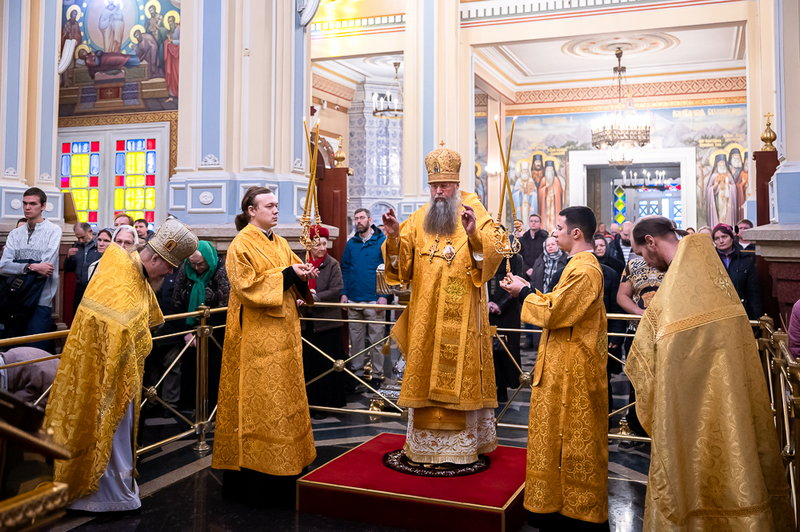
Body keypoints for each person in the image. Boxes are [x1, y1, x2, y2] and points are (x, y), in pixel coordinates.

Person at [625, 216, 792, 531]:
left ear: (650, 241)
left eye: (643, 254)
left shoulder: (677, 289)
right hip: (734, 404)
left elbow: (649, 354)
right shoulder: (710, 273)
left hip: (687, 410)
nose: (646, 263)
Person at [45, 217, 198, 512]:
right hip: (102, 371)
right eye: (168, 265)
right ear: (155, 256)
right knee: (106, 433)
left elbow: (144, 317)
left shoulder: (137, 273)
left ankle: (118, 490)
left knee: (120, 435)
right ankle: (100, 497)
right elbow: (111, 322)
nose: (170, 272)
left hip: (124, 371)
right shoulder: (117, 266)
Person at [381, 144, 504, 466]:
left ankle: (463, 447)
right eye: (434, 185)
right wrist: (393, 236)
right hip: (426, 315)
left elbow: (491, 257)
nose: (438, 191)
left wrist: (474, 234)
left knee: (459, 370)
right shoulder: (419, 218)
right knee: (424, 372)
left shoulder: (476, 211)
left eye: (444, 185)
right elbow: (401, 267)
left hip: (462, 314)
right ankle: (423, 447)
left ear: (456, 184)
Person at [501, 206, 608, 528]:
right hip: (563, 367)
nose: (555, 233)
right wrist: (529, 290)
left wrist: (523, 293)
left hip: (574, 372)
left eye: (559, 227)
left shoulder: (585, 270)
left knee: (574, 439)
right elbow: (556, 305)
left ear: (576, 233)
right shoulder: (575, 266)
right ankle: (554, 501)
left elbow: (555, 313)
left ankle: (577, 508)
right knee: (557, 438)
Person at [213, 186, 318, 508]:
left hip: (284, 335)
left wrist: (302, 274)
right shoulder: (241, 244)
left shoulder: (282, 242)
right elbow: (247, 287)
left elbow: (291, 271)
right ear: (251, 210)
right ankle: (261, 472)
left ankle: (290, 461)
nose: (275, 210)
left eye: (276, 205)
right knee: (262, 404)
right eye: (269, 206)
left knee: (286, 398)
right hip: (257, 341)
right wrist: (287, 273)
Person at [168, 240, 230, 409]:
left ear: (208, 260)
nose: (196, 268)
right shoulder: (185, 270)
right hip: (189, 334)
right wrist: (187, 333)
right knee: (189, 371)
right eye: (193, 264)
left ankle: (211, 410)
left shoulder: (221, 271)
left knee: (212, 372)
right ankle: (189, 411)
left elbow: (224, 306)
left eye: (200, 264)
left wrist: (204, 332)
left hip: (214, 334)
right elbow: (177, 303)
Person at [0, 188, 61, 351]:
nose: (28, 207)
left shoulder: (53, 231)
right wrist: (31, 266)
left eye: (33, 204)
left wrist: (18, 265)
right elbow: (3, 266)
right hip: (15, 299)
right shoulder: (15, 234)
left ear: (43, 206)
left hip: (41, 300)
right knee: (13, 350)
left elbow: (46, 266)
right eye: (25, 203)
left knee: (36, 351)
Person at [301, 225, 347, 415]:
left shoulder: (332, 264)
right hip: (307, 322)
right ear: (309, 245)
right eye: (317, 244)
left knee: (327, 364)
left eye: (324, 244)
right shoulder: (302, 262)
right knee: (310, 363)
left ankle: (329, 403)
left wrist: (316, 296)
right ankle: (311, 402)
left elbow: (337, 288)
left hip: (327, 321)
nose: (321, 248)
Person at [340, 208, 389, 383]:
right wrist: (344, 293)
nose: (358, 221)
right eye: (356, 219)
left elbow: (388, 270)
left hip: (374, 300)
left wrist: (384, 296)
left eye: (361, 218)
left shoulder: (382, 241)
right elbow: (344, 268)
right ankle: (358, 374)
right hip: (354, 298)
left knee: (377, 341)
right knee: (356, 340)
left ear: (370, 219)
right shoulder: (351, 243)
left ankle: (377, 374)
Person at [487, 238, 524, 403]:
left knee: (506, 351)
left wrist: (500, 305)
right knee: (490, 352)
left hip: (508, 312)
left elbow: (518, 284)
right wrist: (487, 302)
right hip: (488, 310)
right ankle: (491, 386)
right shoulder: (486, 257)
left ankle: (504, 387)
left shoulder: (516, 259)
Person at [712, 223, 762, 319]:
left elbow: (753, 292)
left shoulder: (745, 260)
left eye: (724, 236)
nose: (721, 241)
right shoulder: (710, 260)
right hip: (717, 312)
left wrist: (757, 318)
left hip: (741, 311)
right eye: (717, 238)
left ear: (732, 237)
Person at [64, 222, 101, 312]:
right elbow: (68, 269)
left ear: (90, 232)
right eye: (78, 237)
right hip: (80, 287)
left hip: (96, 288)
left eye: (82, 237)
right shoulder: (77, 245)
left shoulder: (100, 245)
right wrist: (68, 257)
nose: (80, 240)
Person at [518, 213, 549, 281]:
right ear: (529, 223)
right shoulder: (522, 239)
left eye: (536, 221)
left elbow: (546, 255)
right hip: (525, 273)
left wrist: (537, 269)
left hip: (541, 272)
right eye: (531, 221)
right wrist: (526, 269)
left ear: (540, 223)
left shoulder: (545, 239)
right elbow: (519, 256)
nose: (533, 223)